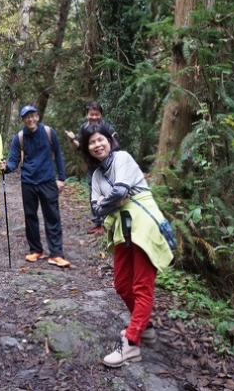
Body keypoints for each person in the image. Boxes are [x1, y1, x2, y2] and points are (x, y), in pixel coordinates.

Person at [79, 122, 174, 367]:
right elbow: (95, 211)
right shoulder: (98, 175)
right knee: (122, 284)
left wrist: (108, 200)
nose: (97, 144)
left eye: (100, 139)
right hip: (122, 229)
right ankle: (146, 327)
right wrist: (114, 201)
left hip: (143, 225)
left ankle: (132, 343)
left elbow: (119, 191)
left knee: (142, 285)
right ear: (87, 148)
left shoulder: (122, 158)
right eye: (91, 142)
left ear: (110, 140)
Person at [0, 105, 70, 268]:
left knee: (52, 216)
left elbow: (58, 155)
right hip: (28, 182)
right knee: (30, 217)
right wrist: (6, 168)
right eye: (26, 117)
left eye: (32, 116)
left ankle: (56, 254)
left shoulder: (48, 133)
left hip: (47, 180)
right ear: (23, 119)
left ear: (37, 117)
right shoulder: (20, 137)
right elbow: (13, 161)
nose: (30, 119)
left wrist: (62, 178)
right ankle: (36, 250)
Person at [64, 101, 118, 234]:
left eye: (97, 114)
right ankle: (97, 222)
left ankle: (110, 219)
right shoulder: (84, 128)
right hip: (92, 167)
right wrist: (72, 140)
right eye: (91, 114)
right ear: (86, 115)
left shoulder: (107, 127)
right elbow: (81, 148)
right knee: (94, 193)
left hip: (108, 166)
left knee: (110, 191)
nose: (94, 117)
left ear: (101, 115)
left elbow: (116, 145)